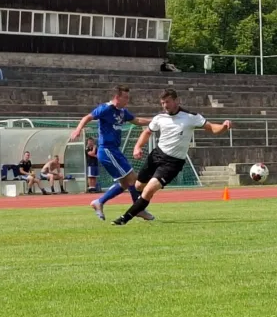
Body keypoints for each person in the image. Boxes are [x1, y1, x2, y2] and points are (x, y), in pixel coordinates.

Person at [111, 88, 231, 225]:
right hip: (156, 156)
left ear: (176, 101)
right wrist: (137, 147)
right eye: (162, 103)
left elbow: (212, 128)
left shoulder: (191, 117)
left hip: (173, 163)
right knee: (138, 186)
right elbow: (147, 132)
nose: (165, 106)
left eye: (167, 102)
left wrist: (223, 127)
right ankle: (140, 207)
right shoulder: (159, 118)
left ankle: (124, 218)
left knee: (150, 189)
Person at [70, 85, 155, 221]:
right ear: (117, 97)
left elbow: (137, 120)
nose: (127, 100)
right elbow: (88, 117)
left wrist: (156, 121)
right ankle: (139, 209)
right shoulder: (105, 108)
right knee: (133, 178)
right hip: (107, 150)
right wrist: (78, 129)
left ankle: (99, 202)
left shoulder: (122, 112)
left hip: (114, 151)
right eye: (125, 97)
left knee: (125, 184)